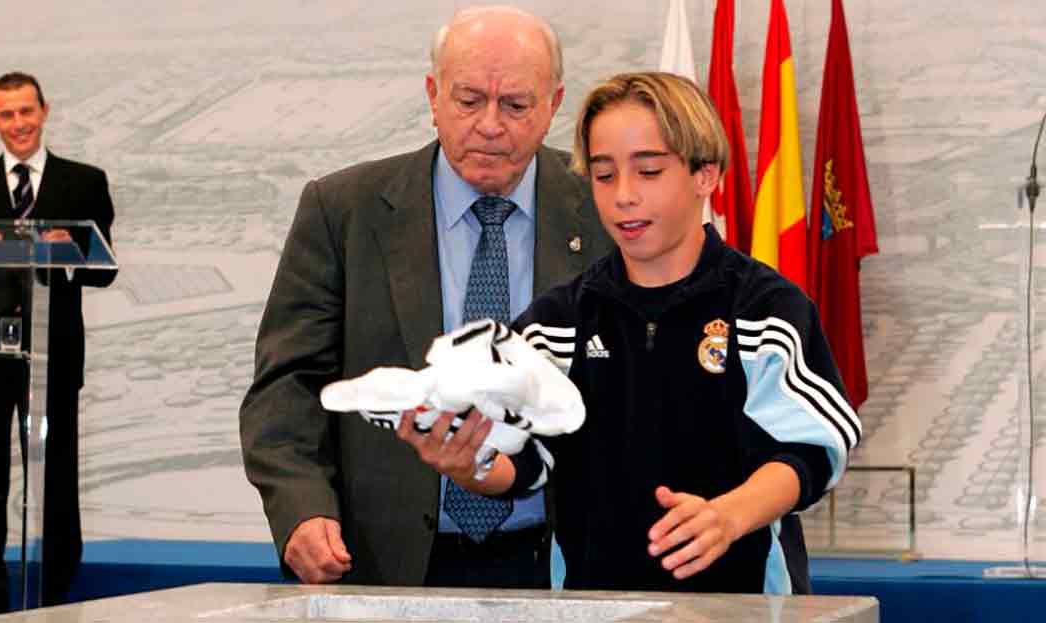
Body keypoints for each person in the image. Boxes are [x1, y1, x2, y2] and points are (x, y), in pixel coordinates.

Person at [398, 72, 860, 594]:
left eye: (649, 172)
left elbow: (812, 450)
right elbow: (524, 463)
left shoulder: (765, 308)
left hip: (745, 605)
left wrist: (728, 516)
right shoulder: (557, 322)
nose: (623, 196)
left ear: (705, 175)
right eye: (603, 175)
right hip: (592, 606)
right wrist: (467, 463)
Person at [239, 6, 611, 588]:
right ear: (433, 96)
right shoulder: (344, 210)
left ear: (553, 104)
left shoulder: (605, 210)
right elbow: (288, 386)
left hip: (563, 562)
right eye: (469, 100)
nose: (490, 124)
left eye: (515, 105)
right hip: (386, 560)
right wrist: (301, 508)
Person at [0, 71, 116, 618]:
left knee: (56, 475)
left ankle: (54, 589)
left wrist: (71, 250)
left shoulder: (84, 181)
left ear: (44, 111)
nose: (18, 123)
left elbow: (105, 271)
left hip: (53, 354)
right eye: (6, 114)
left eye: (26, 111)